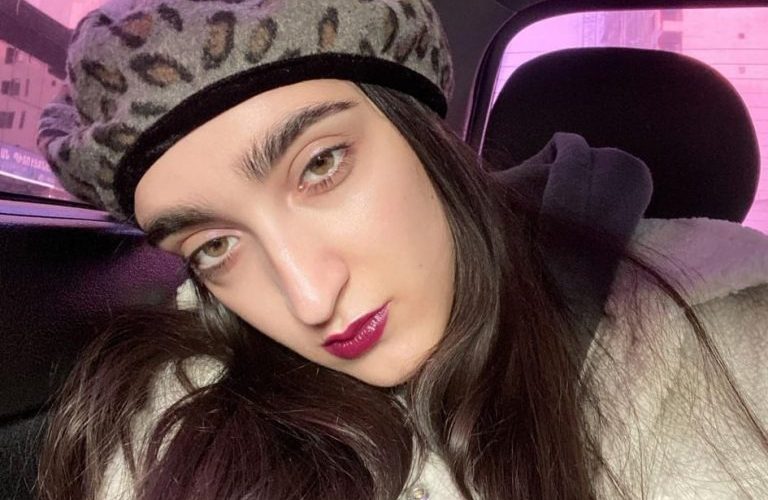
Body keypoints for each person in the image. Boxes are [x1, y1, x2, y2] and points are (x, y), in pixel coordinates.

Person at [35, 0, 768, 498]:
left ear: (425, 137)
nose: (310, 298)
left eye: (321, 165)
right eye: (215, 245)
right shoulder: (175, 426)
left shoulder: (737, 332)